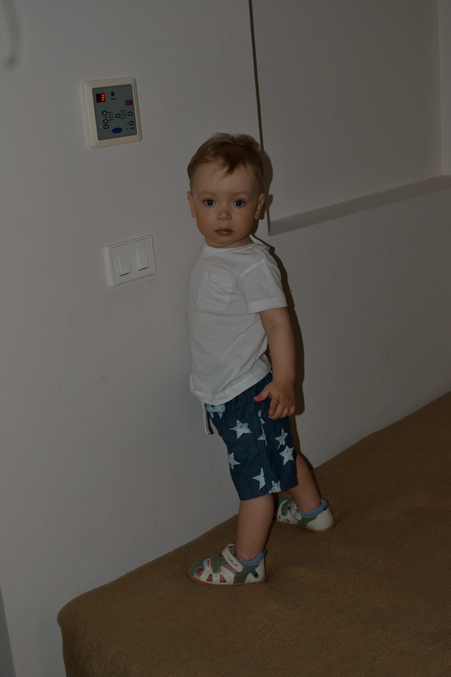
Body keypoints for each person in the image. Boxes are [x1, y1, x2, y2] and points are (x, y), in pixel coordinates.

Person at [185, 133, 334, 586]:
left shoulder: (251, 263)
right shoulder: (217, 255)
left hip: (245, 391)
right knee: (281, 450)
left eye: (238, 202)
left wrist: (285, 379)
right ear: (191, 204)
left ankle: (247, 562)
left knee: (254, 481)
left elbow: (278, 323)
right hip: (231, 387)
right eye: (210, 202)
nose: (223, 214)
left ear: (260, 205)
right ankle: (313, 512)